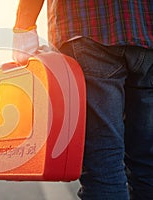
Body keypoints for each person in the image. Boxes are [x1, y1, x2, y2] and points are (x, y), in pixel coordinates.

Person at [12, 0, 153, 199]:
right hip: (147, 31)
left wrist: (23, 27)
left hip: (89, 28)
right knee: (147, 162)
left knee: (104, 163)